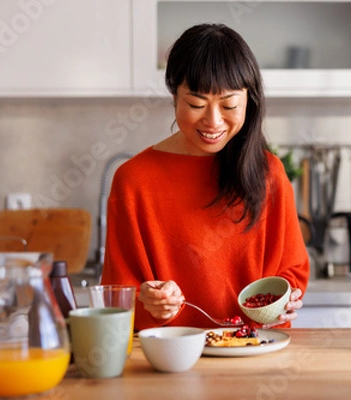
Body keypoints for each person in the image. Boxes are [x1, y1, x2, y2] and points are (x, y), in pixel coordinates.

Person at [101, 23, 310, 331]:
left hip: (254, 354)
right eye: (196, 104)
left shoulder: (269, 173)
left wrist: (286, 300)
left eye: (229, 105)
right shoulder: (133, 180)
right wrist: (154, 304)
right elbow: (119, 295)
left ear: (248, 102)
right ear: (174, 96)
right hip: (168, 361)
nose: (213, 121)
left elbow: (292, 270)